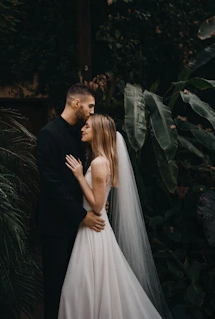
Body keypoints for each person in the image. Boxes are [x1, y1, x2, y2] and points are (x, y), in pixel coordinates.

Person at [58, 113, 172, 319]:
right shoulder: (100, 160)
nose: (82, 129)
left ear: (99, 133)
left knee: (78, 289)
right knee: (90, 288)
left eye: (88, 127)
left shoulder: (99, 163)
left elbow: (98, 204)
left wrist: (78, 176)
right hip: (92, 228)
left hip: (94, 231)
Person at [36, 84, 106, 319]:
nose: (91, 113)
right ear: (77, 104)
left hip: (81, 226)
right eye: (90, 107)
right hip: (56, 224)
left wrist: (98, 201)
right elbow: (51, 183)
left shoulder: (83, 134)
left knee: (78, 286)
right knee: (56, 286)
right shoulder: (48, 134)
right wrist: (81, 214)